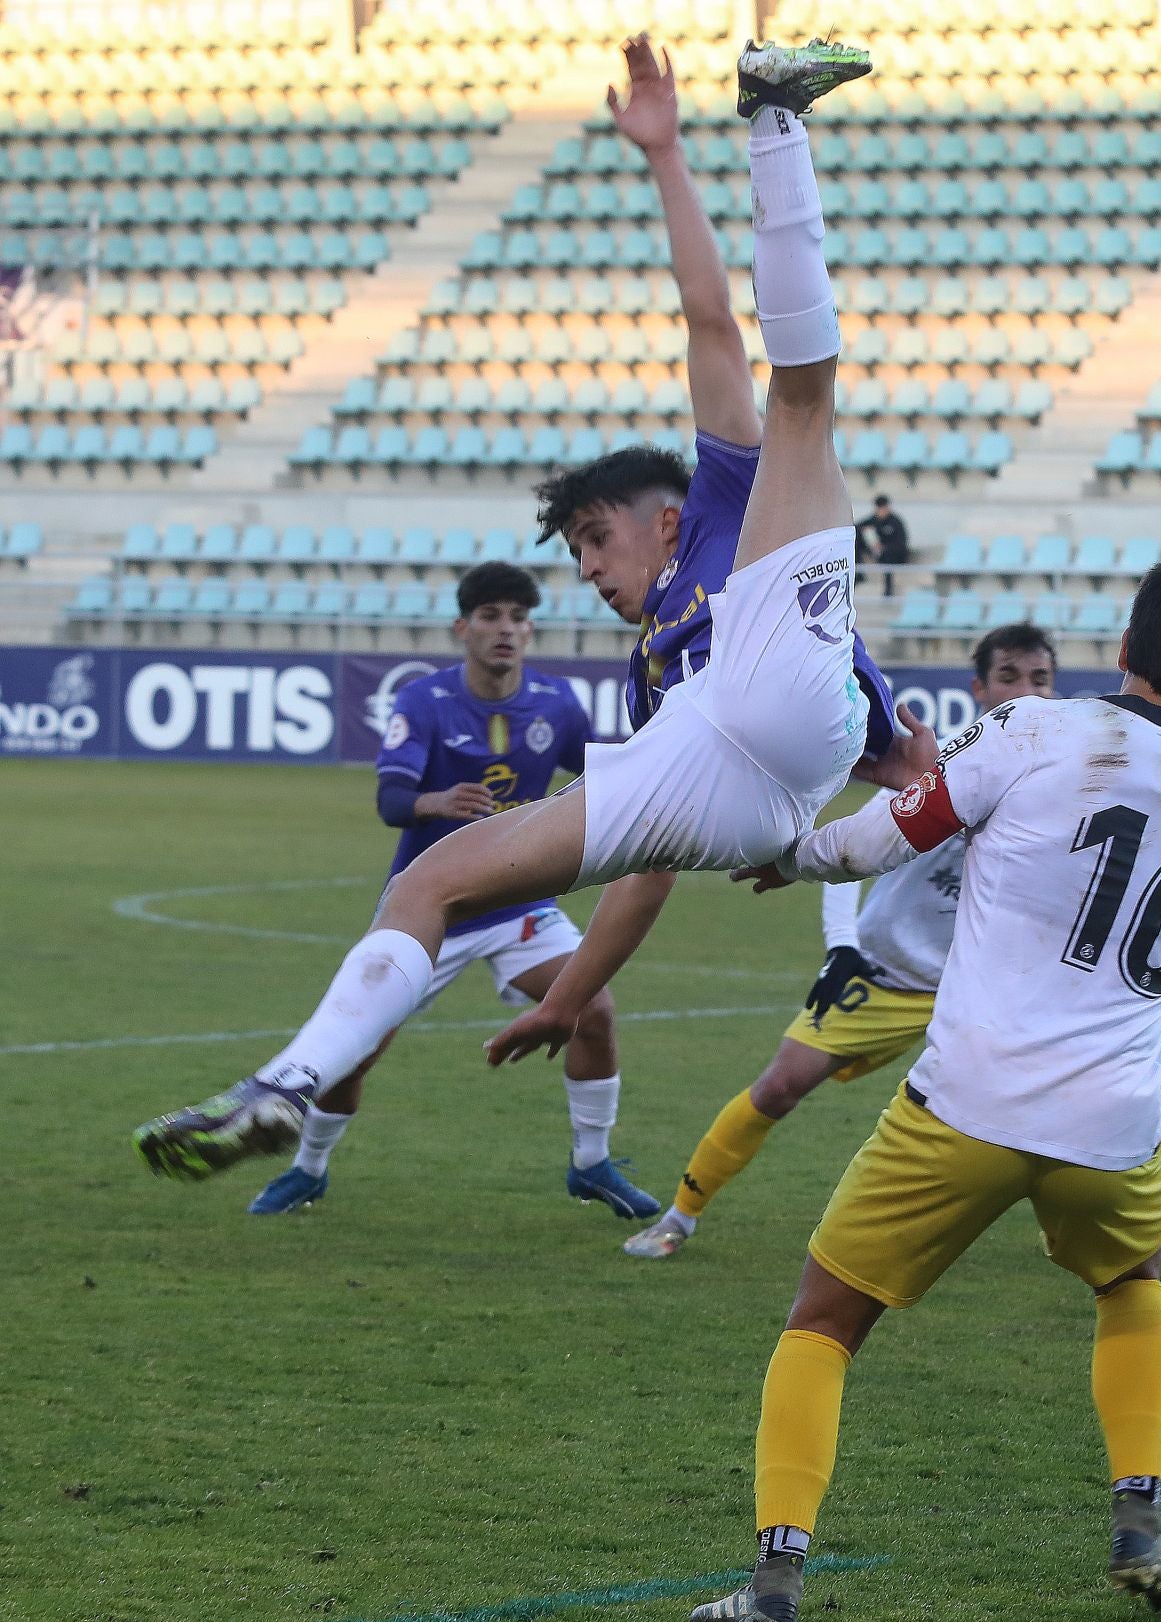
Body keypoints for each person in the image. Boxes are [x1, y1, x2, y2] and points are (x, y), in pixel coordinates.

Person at [131, 36, 933, 1179]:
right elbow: (654, 867)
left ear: (662, 519)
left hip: (781, 717)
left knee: (796, 400)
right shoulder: (655, 669)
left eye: (597, 540)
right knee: (429, 880)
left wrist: (662, 155)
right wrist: (577, 993)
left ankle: (772, 119)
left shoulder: (720, 498)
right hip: (756, 791)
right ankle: (287, 1082)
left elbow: (711, 320)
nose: (595, 573)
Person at [689, 557, 1161, 1622]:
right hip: (1115, 1120)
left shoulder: (1035, 730)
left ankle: (774, 1584)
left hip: (968, 1102)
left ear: (1126, 647)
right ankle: (1138, 1520)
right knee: (1130, 1281)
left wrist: (789, 859)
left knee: (823, 1322)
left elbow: (882, 836)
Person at [623, 623, 1057, 1260]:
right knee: (779, 1087)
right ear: (980, 688)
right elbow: (858, 846)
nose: (1026, 691)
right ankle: (678, 1219)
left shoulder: (1063, 787)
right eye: (1010, 677)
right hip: (887, 974)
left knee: (1046, 1100)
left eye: (1040, 678)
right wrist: (840, 947)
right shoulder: (948, 767)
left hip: (984, 986)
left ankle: (1075, 1237)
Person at [236, 562, 656, 1218]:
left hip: (520, 906)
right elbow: (392, 800)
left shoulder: (554, 703)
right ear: (462, 627)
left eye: (518, 618)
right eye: (490, 616)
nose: (506, 630)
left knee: (593, 1011)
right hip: (433, 912)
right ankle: (308, 1170)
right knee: (353, 1052)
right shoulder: (424, 702)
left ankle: (591, 1163)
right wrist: (438, 800)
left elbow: (612, 778)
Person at [854, 494, 908, 566]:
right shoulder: (872, 520)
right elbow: (857, 527)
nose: (881, 511)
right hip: (874, 551)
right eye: (879, 508)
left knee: (888, 557)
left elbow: (901, 542)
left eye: (883, 508)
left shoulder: (895, 522)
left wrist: (884, 547)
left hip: (892, 554)